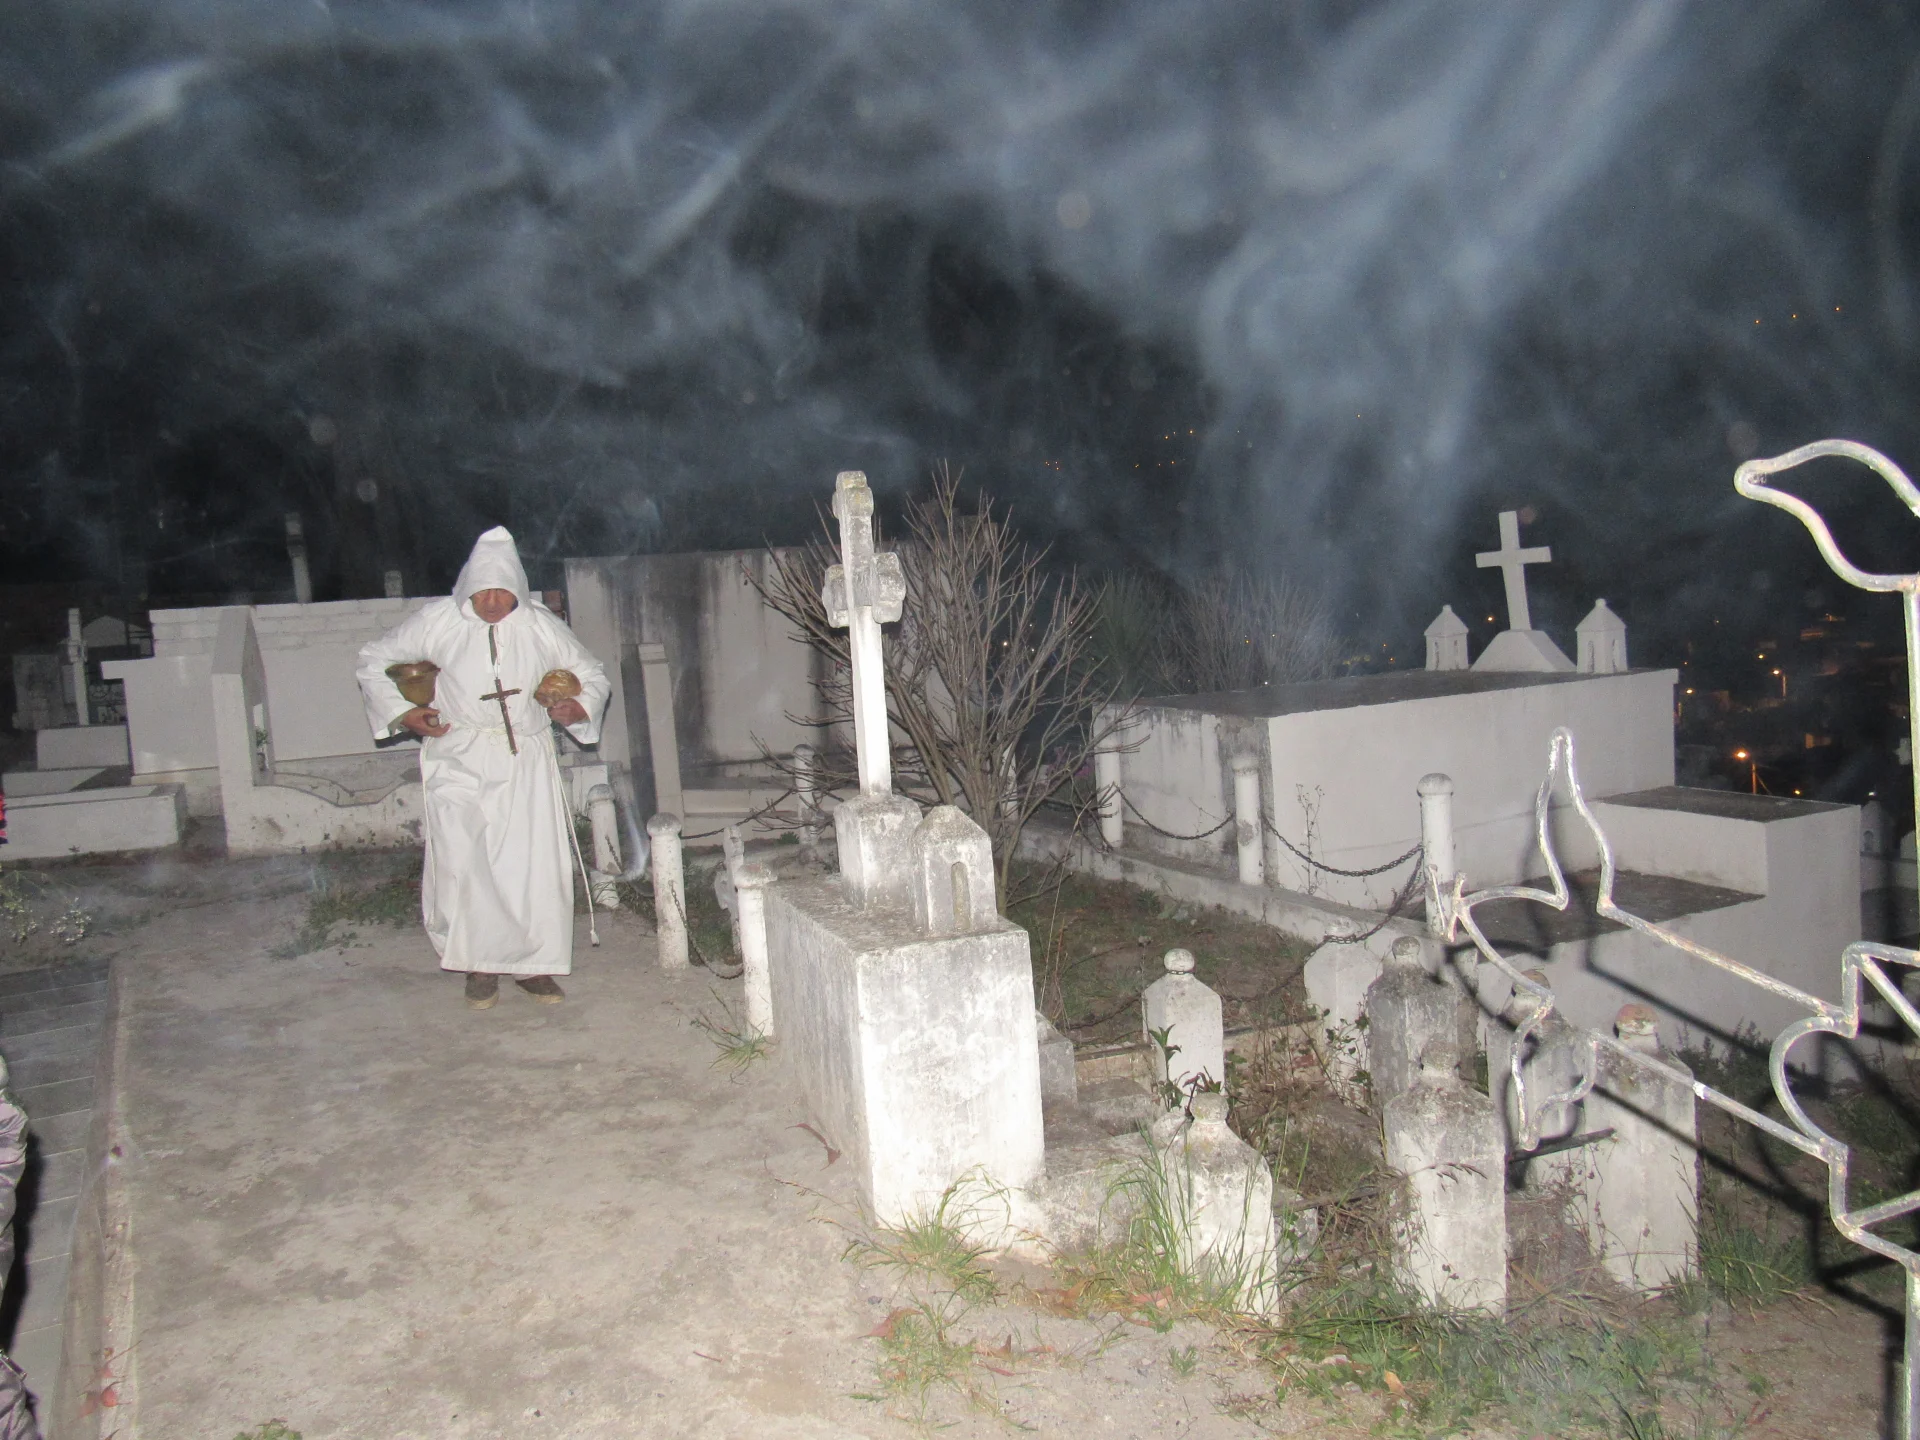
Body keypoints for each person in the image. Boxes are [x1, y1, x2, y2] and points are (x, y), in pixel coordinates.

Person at [356, 527, 610, 1009]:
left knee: (527, 862)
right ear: (468, 586)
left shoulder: (539, 626)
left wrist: (579, 707)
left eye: (502, 591)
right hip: (460, 752)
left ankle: (533, 965)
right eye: (483, 591)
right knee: (465, 857)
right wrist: (403, 712)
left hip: (525, 759)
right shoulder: (438, 622)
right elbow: (373, 660)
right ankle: (480, 965)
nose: (492, 602)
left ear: (516, 585)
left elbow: (592, 675)